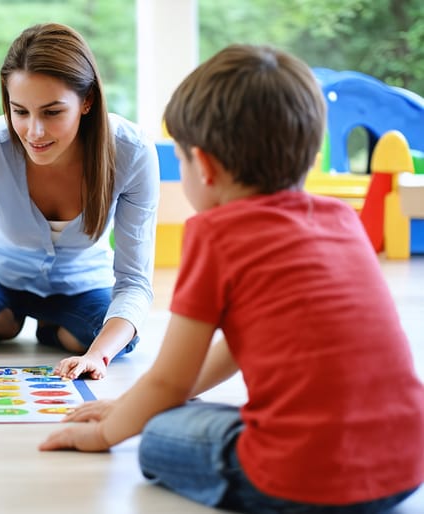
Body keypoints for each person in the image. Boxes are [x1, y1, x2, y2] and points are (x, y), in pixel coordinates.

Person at [39, 44, 424, 513]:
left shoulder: (216, 232)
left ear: (203, 165)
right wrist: (134, 403)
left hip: (301, 481)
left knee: (158, 432)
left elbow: (168, 383)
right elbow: (238, 347)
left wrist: (106, 431)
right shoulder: (341, 219)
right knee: (176, 412)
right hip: (405, 468)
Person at [0, 22, 159, 379]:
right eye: (20, 111)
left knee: (116, 337)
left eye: (52, 112)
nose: (34, 132)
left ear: (87, 101)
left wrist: (97, 356)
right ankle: (7, 319)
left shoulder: (132, 152)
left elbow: (134, 283)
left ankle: (51, 325)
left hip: (82, 283)